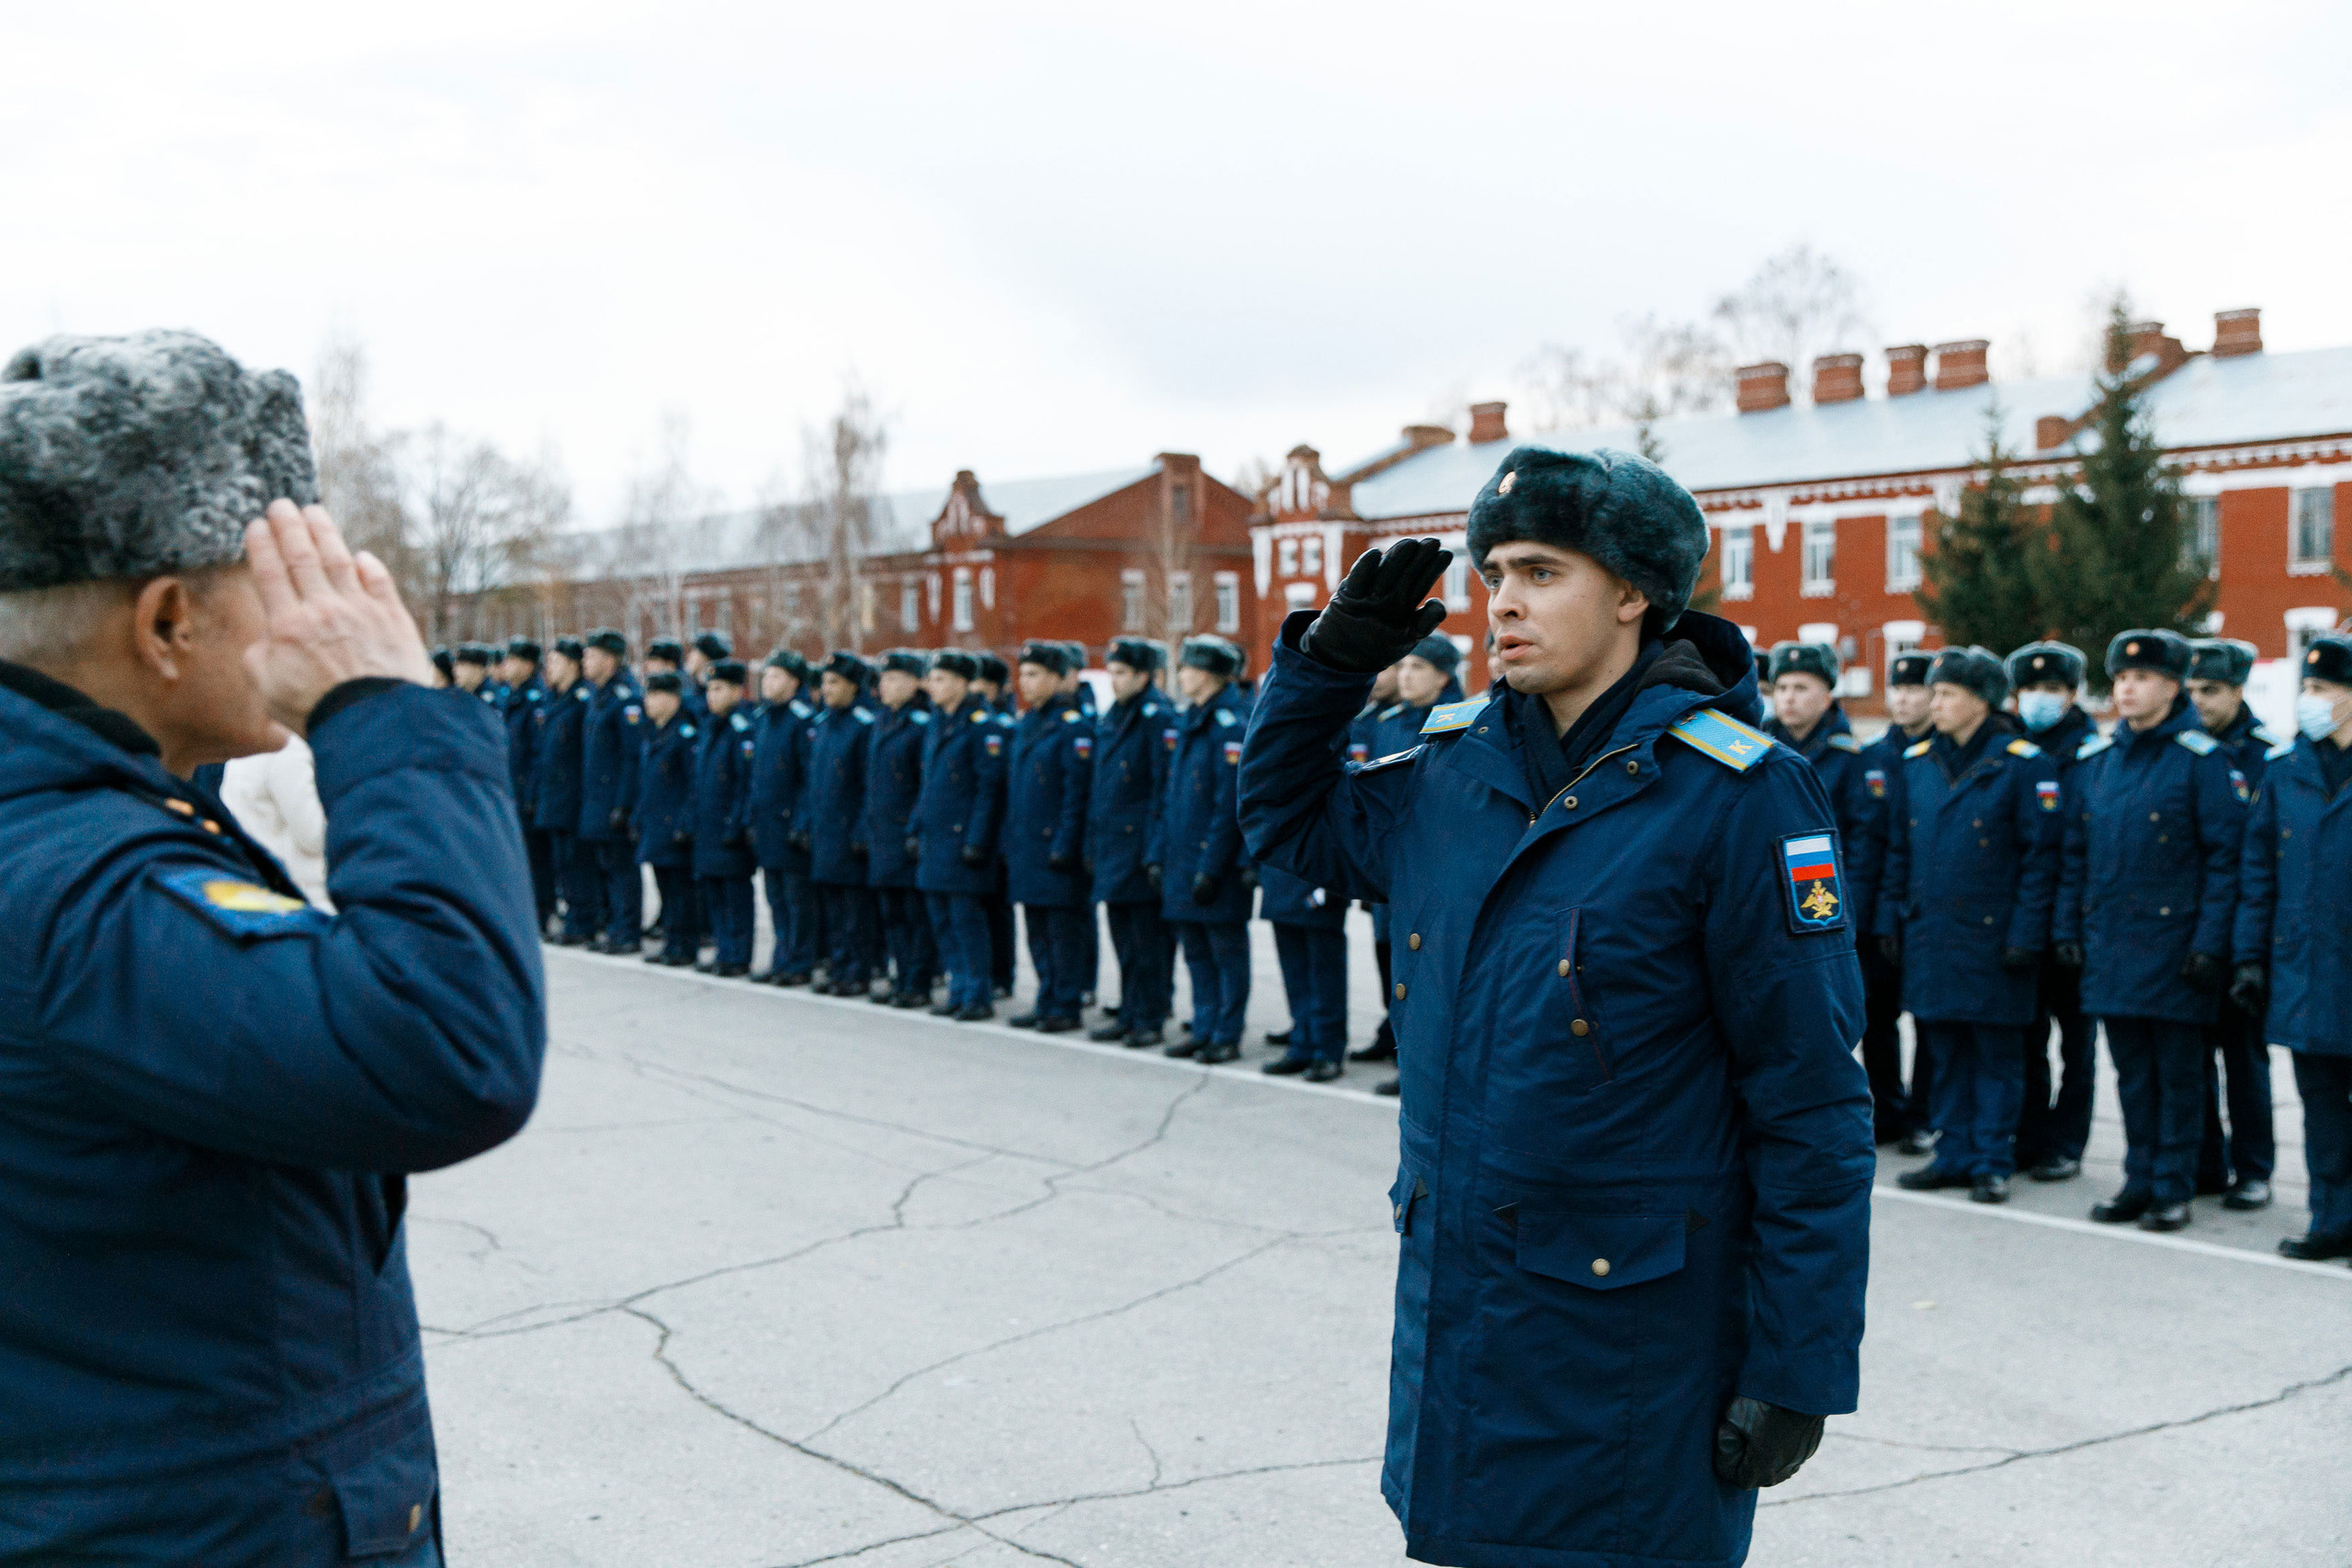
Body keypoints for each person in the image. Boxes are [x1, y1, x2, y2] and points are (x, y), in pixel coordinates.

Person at [1238, 446, 1869, 1566]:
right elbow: (1285, 824)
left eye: (1540, 570)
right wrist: (1329, 664)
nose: (1503, 603)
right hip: (1464, 1313)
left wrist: (1797, 1366)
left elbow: (1811, 1102)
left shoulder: (1735, 796)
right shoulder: (1452, 772)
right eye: (1492, 575)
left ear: (1632, 594)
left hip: (1629, 1350)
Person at [0, 329, 543, 1564]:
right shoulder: (79, 884)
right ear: (169, 619)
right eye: (279, 578)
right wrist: (383, 711)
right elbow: (447, 1047)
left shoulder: (77, 826)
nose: (324, 607)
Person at [2057, 628, 2246, 1233]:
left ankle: (2174, 1184)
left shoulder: (2201, 760)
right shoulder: (2099, 764)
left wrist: (2210, 944)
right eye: (2120, 678)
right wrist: (2068, 928)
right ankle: (2138, 1178)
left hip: (2177, 950)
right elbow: (2074, 856)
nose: (2127, 688)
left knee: (2180, 1075)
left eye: (2141, 678)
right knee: (2133, 1072)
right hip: (2112, 943)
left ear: (2171, 686)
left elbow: (2226, 862)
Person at [1877, 646, 2062, 1204]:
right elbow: (1898, 848)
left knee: (1996, 1055)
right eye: (1934, 692)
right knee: (1943, 1047)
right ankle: (1951, 1153)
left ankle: (1992, 1159)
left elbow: (2040, 859)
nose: (1935, 703)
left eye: (1947, 693)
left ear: (1981, 701)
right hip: (1932, 932)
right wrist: (1891, 918)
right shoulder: (1919, 762)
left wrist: (2026, 935)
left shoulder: (2023, 763)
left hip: (1995, 937)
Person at [2233, 634, 2352, 1261]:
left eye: (2323, 689)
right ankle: (2330, 1218)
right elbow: (2258, 874)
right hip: (2306, 967)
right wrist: (2249, 957)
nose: (2310, 701)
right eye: (2306, 688)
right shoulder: (2285, 771)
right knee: (2322, 1106)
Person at [2185, 637, 2278, 1210]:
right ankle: (2206, 1164)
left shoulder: (2266, 755)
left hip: (2246, 930)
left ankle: (2255, 1169)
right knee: (2192, 1059)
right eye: (2191, 690)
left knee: (2244, 1061)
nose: (2199, 701)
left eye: (2211, 691)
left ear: (2238, 690)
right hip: (2193, 930)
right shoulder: (2184, 750)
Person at [1352, 635, 1464, 1091]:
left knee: (1430, 974)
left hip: (1435, 869)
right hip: (1393, 866)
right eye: (1402, 667)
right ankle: (1396, 1040)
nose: (1404, 675)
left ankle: (1420, 1063)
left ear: (1442, 675)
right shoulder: (1392, 720)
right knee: (1388, 958)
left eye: (1416, 667)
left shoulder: (1460, 723)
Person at [2007, 640, 2098, 1181]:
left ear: (2071, 695)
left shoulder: (2089, 755)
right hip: (2024, 917)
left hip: (2076, 924)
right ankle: (2031, 1134)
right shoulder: (2009, 750)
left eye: (2053, 690)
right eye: (2031, 689)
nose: (2040, 699)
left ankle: (2068, 1141)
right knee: (2028, 1036)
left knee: (2078, 1044)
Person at [1152, 636, 1254, 1064]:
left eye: (1189, 668)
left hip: (1216, 864)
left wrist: (1210, 869)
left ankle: (1226, 1033)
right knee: (1195, 950)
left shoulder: (1228, 724)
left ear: (1209, 674)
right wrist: (1158, 854)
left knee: (1225, 950)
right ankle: (1205, 1024)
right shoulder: (1190, 718)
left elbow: (1227, 804)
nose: (1182, 676)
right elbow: (1171, 796)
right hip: (1183, 859)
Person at [1857, 650, 1934, 1148]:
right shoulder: (1874, 755)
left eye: (1915, 689)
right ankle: (1887, 1108)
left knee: (1929, 1021)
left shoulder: (1945, 752)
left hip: (1925, 908)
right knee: (1878, 1020)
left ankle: (1924, 1114)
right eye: (1897, 688)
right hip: (1882, 911)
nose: (1903, 698)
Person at [1085, 637, 1177, 1046]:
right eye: (1112, 672)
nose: (1115, 680)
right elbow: (1101, 787)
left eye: (1122, 673)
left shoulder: (1157, 717)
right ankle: (1128, 1010)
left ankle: (1149, 1017)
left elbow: (1163, 790)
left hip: (1139, 848)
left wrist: (1154, 851)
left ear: (1143, 676)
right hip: (1113, 846)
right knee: (1123, 938)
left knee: (1147, 942)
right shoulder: (1114, 715)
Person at [1002, 639, 1093, 1032]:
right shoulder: (1028, 723)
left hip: (1056, 850)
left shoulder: (1074, 727)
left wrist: (1065, 845)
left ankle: (1065, 1003)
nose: (1025, 682)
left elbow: (1077, 796)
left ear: (1059, 679)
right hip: (1027, 849)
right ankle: (1046, 998)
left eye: (1034, 674)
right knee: (1037, 932)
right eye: (1022, 674)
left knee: (1062, 935)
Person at [914, 649, 1007, 1020]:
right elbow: (928, 783)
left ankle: (977, 993)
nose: (931, 687)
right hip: (935, 837)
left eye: (938, 679)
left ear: (959, 683)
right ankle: (957, 987)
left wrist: (977, 839)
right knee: (941, 917)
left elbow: (990, 788)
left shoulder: (982, 724)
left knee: (966, 919)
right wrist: (915, 826)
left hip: (963, 839)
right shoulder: (938, 722)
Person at [802, 650, 881, 995]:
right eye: (824, 682)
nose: (826, 689)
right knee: (831, 909)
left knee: (855, 911)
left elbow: (870, 785)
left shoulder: (863, 725)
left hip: (850, 834)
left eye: (834, 682)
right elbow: (812, 783)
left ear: (853, 686)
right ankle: (838, 966)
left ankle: (857, 970)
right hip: (824, 831)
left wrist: (862, 829)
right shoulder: (822, 724)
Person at [863, 649, 937, 1007]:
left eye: (894, 679)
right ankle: (901, 974)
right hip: (881, 834)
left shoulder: (921, 725)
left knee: (914, 913)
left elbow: (926, 785)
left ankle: (917, 980)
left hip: (906, 833)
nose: (885, 686)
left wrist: (915, 829)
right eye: (884, 678)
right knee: (891, 913)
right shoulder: (882, 721)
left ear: (914, 682)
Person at [750, 648, 821, 985]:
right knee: (775, 898)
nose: (767, 682)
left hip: (791, 826)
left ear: (794, 682)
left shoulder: (801, 720)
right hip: (767, 826)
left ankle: (799, 961)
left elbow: (809, 780)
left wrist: (802, 823)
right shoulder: (763, 718)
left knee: (798, 902)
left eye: (775, 676)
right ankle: (782, 957)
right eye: (766, 675)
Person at [577, 627, 644, 954]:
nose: (585, 661)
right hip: (597, 800)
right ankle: (616, 927)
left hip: (615, 801)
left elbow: (632, 757)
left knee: (622, 869)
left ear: (610, 659)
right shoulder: (597, 696)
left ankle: (628, 931)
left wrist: (624, 804)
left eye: (590, 655)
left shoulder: (625, 698)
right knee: (607, 867)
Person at [691, 659, 757, 976]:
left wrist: (737, 823)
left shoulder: (741, 729)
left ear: (736, 691)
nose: (711, 696)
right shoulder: (710, 727)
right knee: (714, 896)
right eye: (709, 690)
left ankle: (737, 955)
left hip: (729, 831)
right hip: (708, 828)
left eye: (718, 689)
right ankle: (723, 950)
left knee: (735, 898)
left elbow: (746, 784)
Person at [218, 731, 332, 910]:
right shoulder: (289, 748)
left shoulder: (247, 747)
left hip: (264, 890)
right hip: (307, 897)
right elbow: (314, 836)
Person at [1258, 860, 1349, 1080]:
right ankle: (1301, 1045)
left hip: (1320, 881)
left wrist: (1338, 880)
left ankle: (1327, 1051)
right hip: (1281, 879)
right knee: (1295, 979)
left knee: (1325, 980)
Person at [533, 635, 597, 944]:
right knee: (561, 864)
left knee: (577, 864)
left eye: (555, 662)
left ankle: (582, 922)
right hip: (554, 798)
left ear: (572, 664)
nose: (549, 668)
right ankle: (572, 918)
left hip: (572, 797)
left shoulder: (582, 701)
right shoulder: (554, 700)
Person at [634, 671, 701, 965]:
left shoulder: (685, 734)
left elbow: (694, 784)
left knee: (681, 891)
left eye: (654, 696)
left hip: (675, 827)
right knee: (665, 888)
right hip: (656, 825)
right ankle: (672, 944)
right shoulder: (654, 731)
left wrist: (686, 824)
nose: (647, 702)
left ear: (672, 699)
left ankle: (684, 946)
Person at [974, 650, 1020, 997]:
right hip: (985, 830)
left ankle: (1002, 975)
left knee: (999, 910)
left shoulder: (1002, 726)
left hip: (1002, 831)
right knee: (985, 907)